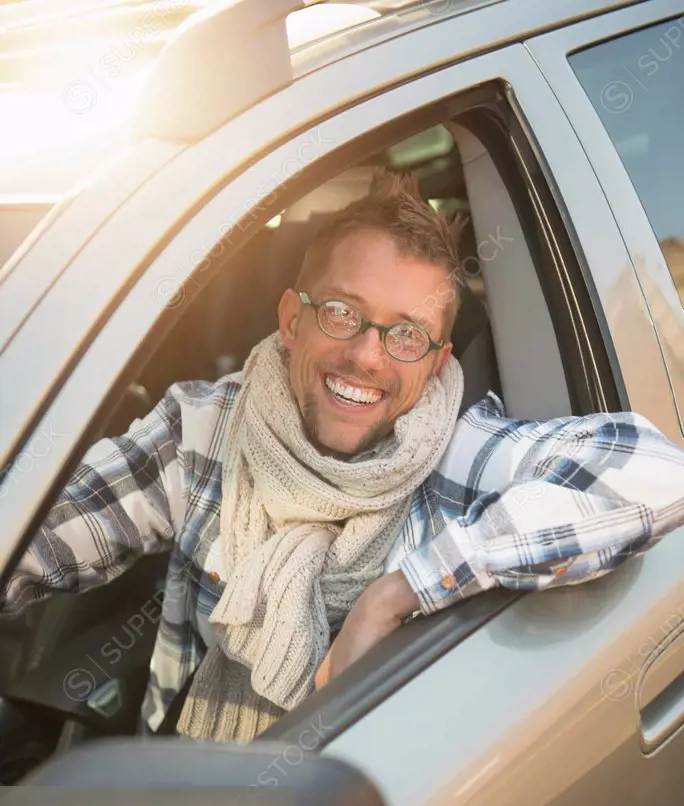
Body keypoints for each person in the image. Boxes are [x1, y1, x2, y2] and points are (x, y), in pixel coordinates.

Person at [2, 172, 684, 745]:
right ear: (292, 320)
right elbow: (41, 530)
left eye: (407, 335)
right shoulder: (208, 427)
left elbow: (652, 472)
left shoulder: (456, 455)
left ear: (437, 364)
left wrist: (398, 593)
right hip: (197, 793)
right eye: (341, 312)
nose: (367, 355)